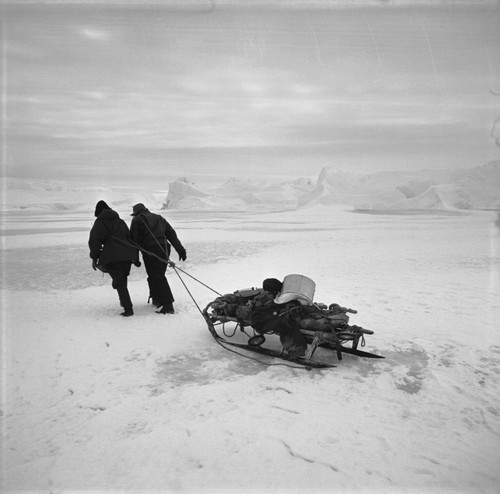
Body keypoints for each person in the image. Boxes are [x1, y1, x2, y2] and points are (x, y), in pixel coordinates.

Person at [129, 203, 187, 314]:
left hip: (150, 250)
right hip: (164, 249)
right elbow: (171, 234)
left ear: (136, 213)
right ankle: (157, 299)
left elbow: (134, 240)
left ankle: (167, 304)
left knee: (157, 276)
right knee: (156, 275)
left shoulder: (137, 220)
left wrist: (135, 258)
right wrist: (180, 250)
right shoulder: (159, 218)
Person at [88, 200, 140, 317]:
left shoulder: (100, 222)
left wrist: (94, 257)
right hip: (127, 254)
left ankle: (128, 309)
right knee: (121, 279)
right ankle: (124, 302)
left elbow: (94, 241)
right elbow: (130, 238)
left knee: (119, 282)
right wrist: (135, 257)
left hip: (113, 255)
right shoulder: (120, 222)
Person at [250, 278, 308, 358]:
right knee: (286, 324)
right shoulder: (265, 297)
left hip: (270, 316)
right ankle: (295, 349)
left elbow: (278, 304)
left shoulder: (275, 296)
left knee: (289, 319)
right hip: (262, 320)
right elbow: (267, 308)